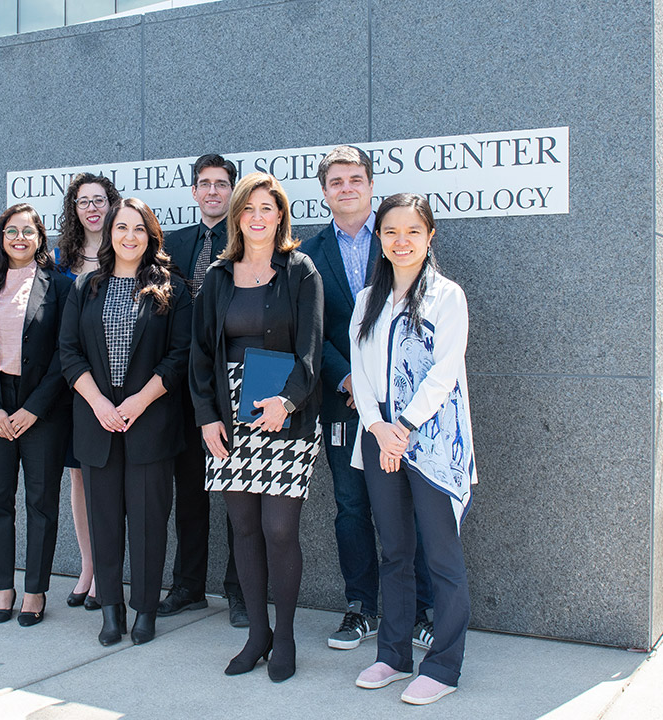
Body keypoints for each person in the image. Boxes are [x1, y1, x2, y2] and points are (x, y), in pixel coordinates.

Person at [190, 172, 323, 683]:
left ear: (280, 216)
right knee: (243, 528)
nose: (258, 217)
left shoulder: (301, 271)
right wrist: (206, 419)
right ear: (237, 217)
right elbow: (201, 356)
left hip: (285, 413)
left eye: (268, 208)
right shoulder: (219, 278)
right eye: (250, 209)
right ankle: (257, 635)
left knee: (278, 529)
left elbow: (311, 349)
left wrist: (286, 402)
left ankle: (285, 637)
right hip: (228, 416)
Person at [301, 145, 435, 652]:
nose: (347, 188)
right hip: (344, 401)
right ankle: (361, 607)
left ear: (371, 185)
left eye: (356, 178)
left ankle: (420, 610)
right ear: (324, 191)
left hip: (405, 407)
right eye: (336, 181)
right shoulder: (309, 254)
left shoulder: (397, 238)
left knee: (411, 506)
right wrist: (348, 379)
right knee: (351, 505)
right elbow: (312, 332)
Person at [348, 193, 475, 705]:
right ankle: (394, 655)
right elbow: (360, 372)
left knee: (441, 555)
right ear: (379, 239)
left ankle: (444, 665)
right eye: (391, 233)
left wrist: (403, 425)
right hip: (380, 437)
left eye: (412, 232)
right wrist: (378, 426)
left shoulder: (447, 296)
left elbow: (445, 371)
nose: (401, 242)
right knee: (394, 551)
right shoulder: (366, 300)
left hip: (431, 439)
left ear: (429, 238)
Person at [59, 197, 192, 647]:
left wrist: (139, 401)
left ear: (150, 235)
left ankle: (145, 610)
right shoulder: (85, 287)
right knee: (105, 522)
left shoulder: (170, 287)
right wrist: (98, 402)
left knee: (150, 522)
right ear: (110, 234)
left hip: (150, 424)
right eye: (121, 228)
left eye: (138, 229)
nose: (129, 236)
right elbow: (69, 352)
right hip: (97, 423)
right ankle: (110, 611)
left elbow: (179, 357)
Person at [0, 203, 72, 627]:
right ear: (0, 237)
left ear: (41, 238)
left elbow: (66, 353)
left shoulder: (59, 286)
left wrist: (33, 409)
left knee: (41, 502)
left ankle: (35, 590)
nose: (20, 238)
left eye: (28, 231)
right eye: (12, 231)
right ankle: (3, 586)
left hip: (42, 407)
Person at [159, 153, 246, 627]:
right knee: (189, 491)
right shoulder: (172, 245)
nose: (213, 191)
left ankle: (239, 590)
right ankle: (189, 586)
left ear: (232, 191)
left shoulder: (249, 240)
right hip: (178, 387)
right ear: (193, 192)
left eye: (221, 183)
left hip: (230, 384)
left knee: (237, 493)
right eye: (205, 184)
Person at [55, 173, 122, 611]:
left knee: (116, 479)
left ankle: (112, 570)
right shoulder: (60, 262)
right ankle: (89, 567)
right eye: (84, 202)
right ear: (74, 209)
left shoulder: (128, 251)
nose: (93, 208)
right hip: (75, 387)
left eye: (100, 200)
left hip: (121, 391)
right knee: (79, 476)